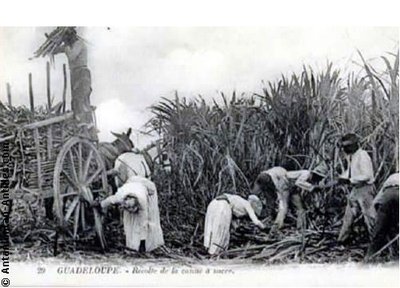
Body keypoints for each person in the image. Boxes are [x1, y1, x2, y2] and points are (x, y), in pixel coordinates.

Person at [97, 175, 164, 252]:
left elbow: (143, 223)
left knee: (150, 217)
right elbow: (110, 200)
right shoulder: (120, 196)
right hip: (131, 182)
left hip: (147, 186)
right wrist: (100, 205)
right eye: (128, 207)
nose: (129, 209)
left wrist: (143, 242)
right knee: (129, 220)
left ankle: (149, 244)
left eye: (131, 208)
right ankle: (132, 244)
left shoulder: (143, 203)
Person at [253, 163, 328, 230]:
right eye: (320, 177)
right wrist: (312, 187)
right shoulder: (306, 173)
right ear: (315, 174)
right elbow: (298, 182)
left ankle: (301, 228)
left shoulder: (310, 179)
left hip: (292, 189)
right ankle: (277, 226)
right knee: (284, 206)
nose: (320, 179)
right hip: (285, 184)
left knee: (301, 208)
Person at [337, 133, 376, 242]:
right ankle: (341, 240)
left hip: (365, 190)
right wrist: (340, 178)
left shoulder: (362, 155)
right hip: (356, 189)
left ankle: (376, 243)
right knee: (348, 214)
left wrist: (349, 180)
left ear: (355, 144)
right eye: (344, 146)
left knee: (369, 216)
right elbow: (350, 172)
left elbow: (367, 175)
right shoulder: (352, 156)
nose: (345, 149)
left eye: (347, 146)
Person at [366, 172, 399, 259]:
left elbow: (379, 196)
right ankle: (395, 254)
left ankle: (370, 256)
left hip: (386, 196)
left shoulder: (392, 177)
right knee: (394, 226)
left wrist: (376, 211)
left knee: (380, 229)